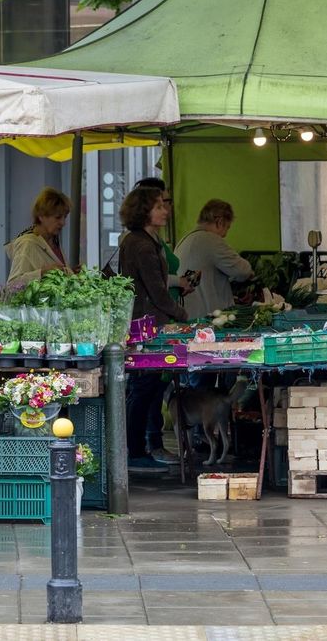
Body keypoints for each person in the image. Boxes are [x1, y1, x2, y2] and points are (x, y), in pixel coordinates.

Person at [119, 186, 188, 470]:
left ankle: (139, 448)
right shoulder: (141, 245)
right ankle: (134, 452)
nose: (165, 210)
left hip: (146, 324)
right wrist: (183, 315)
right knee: (143, 388)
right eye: (158, 206)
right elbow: (157, 292)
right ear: (144, 211)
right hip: (144, 327)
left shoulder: (145, 240)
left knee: (146, 389)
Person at [175, 199, 255, 320]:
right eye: (227, 227)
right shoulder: (210, 240)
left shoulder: (185, 240)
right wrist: (249, 273)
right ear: (219, 222)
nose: (225, 235)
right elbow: (243, 270)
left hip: (187, 315)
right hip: (208, 319)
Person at [5, 186, 73, 285]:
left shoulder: (54, 241)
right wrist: (42, 273)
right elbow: (12, 286)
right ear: (41, 216)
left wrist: (70, 274)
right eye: (58, 217)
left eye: (65, 217)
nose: (63, 223)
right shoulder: (27, 244)